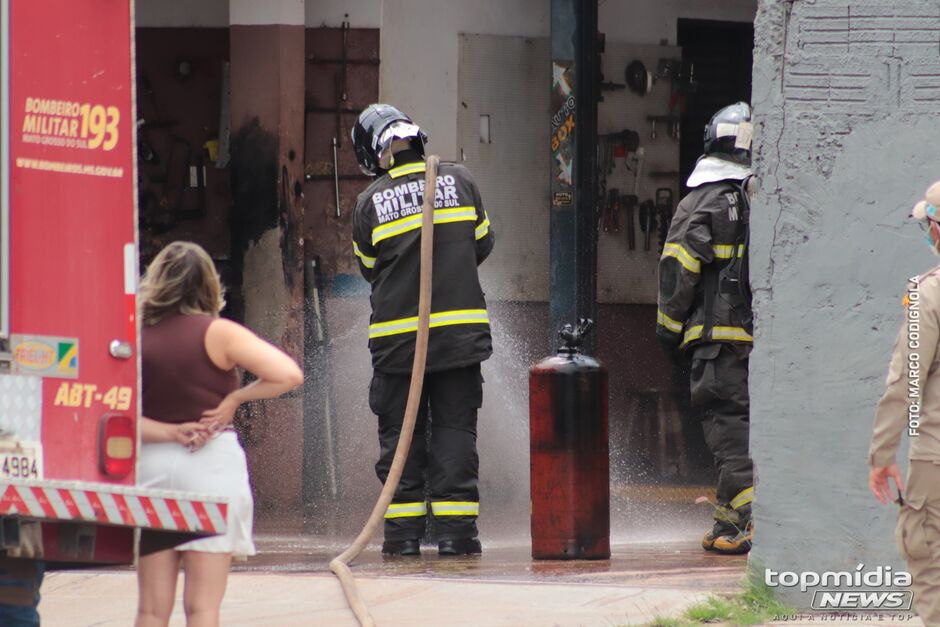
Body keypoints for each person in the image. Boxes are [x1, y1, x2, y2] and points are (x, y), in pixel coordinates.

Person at [350, 104, 495, 557]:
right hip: (458, 340)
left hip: (397, 347)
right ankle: (455, 536)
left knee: (401, 438)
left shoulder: (369, 201)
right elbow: (483, 245)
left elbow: (370, 269)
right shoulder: (463, 181)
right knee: (454, 433)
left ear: (376, 154)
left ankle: (402, 538)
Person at [135, 241, 302, 627]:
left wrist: (171, 432)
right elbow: (289, 374)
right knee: (203, 608)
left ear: (156, 282)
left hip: (154, 470)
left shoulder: (133, 334)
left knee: (150, 610)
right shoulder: (220, 333)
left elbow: (113, 412)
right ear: (210, 285)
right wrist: (235, 398)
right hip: (211, 469)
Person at [656, 102, 755, 555]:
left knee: (725, 427)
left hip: (716, 340)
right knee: (748, 426)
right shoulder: (757, 197)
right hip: (757, 342)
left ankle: (744, 523)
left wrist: (667, 330)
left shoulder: (702, 201)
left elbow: (678, 273)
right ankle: (728, 517)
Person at [869, 181, 940, 626]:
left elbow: (904, 382)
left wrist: (881, 455)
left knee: (927, 555)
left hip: (936, 457)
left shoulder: (927, 293)